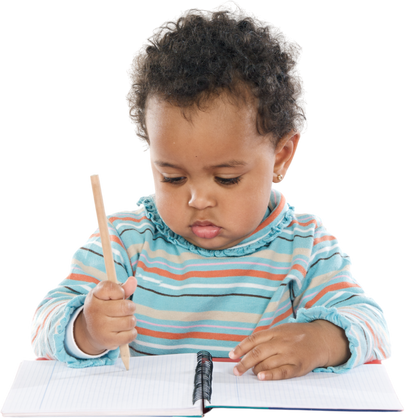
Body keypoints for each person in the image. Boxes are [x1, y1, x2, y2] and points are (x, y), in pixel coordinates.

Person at [29, 1, 391, 381]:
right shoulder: (123, 242)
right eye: (172, 177)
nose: (197, 200)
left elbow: (372, 327)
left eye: (227, 178)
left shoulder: (306, 246)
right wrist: (86, 328)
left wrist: (321, 339)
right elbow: (40, 325)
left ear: (281, 157)